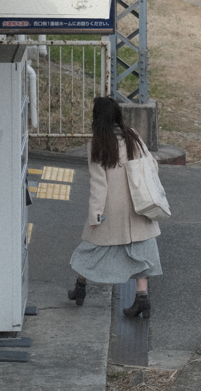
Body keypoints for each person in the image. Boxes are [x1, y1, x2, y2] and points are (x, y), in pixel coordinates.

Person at [68, 97, 162, 318]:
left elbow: (99, 185)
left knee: (91, 248)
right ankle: (142, 299)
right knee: (142, 252)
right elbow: (152, 166)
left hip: (111, 210)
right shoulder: (133, 136)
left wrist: (95, 215)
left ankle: (80, 288)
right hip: (139, 205)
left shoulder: (98, 144)